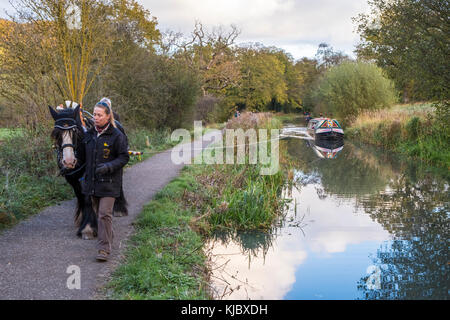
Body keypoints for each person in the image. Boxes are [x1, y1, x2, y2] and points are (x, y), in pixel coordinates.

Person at [82, 97, 129, 262]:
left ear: (108, 116)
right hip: (92, 183)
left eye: (99, 115)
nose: (96, 117)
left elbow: (124, 158)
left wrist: (109, 167)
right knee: (100, 215)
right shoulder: (89, 135)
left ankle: (103, 249)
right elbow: (83, 158)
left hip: (109, 183)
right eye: (94, 114)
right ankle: (108, 237)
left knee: (104, 214)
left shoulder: (116, 135)